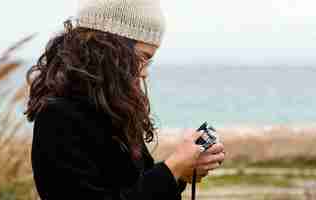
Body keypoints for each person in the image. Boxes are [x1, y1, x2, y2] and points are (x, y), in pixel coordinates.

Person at [24, 0, 226, 199]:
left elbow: (134, 186)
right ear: (109, 49)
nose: (145, 72)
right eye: (143, 57)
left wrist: (180, 174)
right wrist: (173, 169)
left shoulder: (112, 109)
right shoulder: (58, 118)